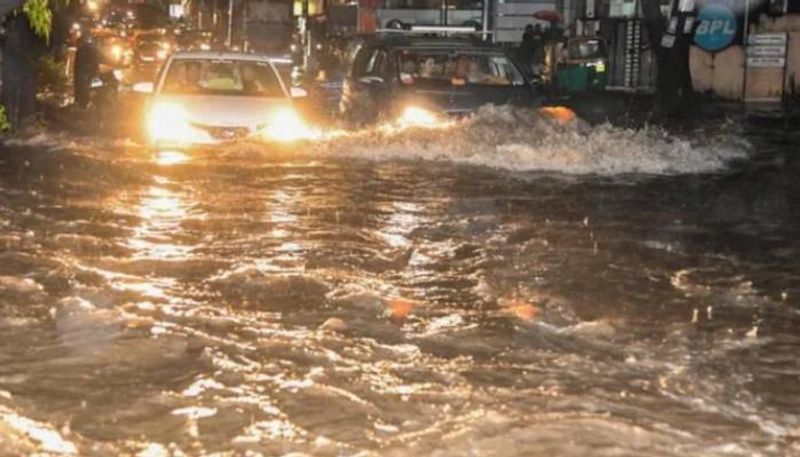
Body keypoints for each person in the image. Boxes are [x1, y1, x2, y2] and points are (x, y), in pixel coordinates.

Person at [74, 35, 104, 108]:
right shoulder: (92, 48)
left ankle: (84, 103)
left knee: (83, 87)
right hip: (92, 71)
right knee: (95, 86)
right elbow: (102, 58)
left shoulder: (81, 49)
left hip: (84, 72)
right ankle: (96, 102)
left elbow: (77, 64)